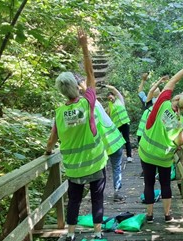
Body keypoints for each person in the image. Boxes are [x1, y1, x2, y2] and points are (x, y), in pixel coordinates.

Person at [45, 29, 107, 241]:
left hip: (73, 168)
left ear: (61, 91)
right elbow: (90, 76)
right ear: (75, 87)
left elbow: (52, 140)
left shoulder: (60, 113)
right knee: (97, 198)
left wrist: (47, 151)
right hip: (95, 163)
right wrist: (84, 46)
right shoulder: (87, 101)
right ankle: (97, 233)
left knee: (74, 200)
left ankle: (71, 235)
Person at [138, 60, 183, 224]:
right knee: (165, 184)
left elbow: (173, 81)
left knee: (149, 183)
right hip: (164, 158)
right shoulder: (181, 121)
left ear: (177, 97)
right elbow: (180, 141)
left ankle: (150, 215)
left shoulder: (162, 103)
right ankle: (167, 215)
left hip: (146, 153)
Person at [106, 85, 133, 163]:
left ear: (114, 96)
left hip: (124, 123)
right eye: (109, 99)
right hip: (117, 126)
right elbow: (108, 115)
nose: (110, 99)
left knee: (127, 140)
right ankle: (118, 157)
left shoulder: (120, 100)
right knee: (117, 141)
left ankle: (129, 156)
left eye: (111, 97)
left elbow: (114, 89)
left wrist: (105, 86)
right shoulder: (109, 106)